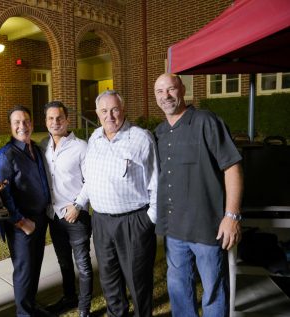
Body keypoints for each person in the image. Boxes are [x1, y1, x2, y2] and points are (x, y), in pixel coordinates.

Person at [153, 73, 243, 317]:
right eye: (160, 92)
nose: (166, 96)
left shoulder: (206, 121)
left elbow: (232, 166)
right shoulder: (159, 132)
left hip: (207, 227)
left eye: (170, 89)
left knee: (214, 291)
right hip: (174, 231)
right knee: (179, 291)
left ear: (182, 89)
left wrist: (232, 215)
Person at [75, 90, 159, 317]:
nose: (109, 115)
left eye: (114, 109)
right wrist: (80, 202)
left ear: (123, 110)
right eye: (104, 111)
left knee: (137, 280)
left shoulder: (141, 138)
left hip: (133, 222)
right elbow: (90, 179)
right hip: (101, 222)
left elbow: (156, 183)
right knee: (109, 279)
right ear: (97, 113)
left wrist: (148, 220)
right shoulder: (94, 138)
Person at [0, 105, 50, 317]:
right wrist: (20, 222)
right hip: (21, 224)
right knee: (25, 271)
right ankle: (24, 313)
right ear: (10, 126)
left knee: (35, 267)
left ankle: (31, 307)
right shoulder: (5, 156)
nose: (22, 126)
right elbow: (2, 196)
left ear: (32, 124)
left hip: (40, 219)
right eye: (17, 122)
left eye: (26, 121)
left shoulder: (35, 149)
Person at [40, 101, 93, 317]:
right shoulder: (43, 145)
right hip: (54, 216)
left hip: (75, 216)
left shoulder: (81, 147)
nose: (55, 122)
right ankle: (69, 297)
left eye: (59, 118)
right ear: (46, 121)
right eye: (51, 118)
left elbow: (90, 181)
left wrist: (78, 205)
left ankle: (84, 308)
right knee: (63, 262)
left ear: (67, 119)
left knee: (83, 264)